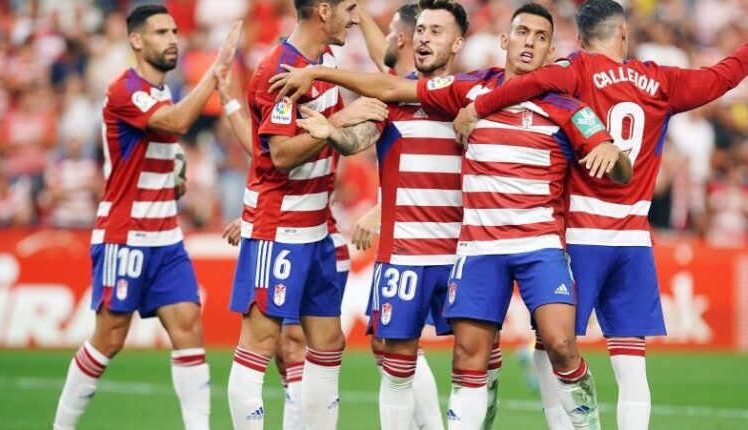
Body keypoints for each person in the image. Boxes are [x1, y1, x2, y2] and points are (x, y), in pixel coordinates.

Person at [268, 2, 632, 429]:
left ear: (552, 51)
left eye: (540, 37)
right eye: (522, 33)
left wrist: (614, 152)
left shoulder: (559, 106)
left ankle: (585, 422)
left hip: (519, 246)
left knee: (557, 344)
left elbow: (619, 171)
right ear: (504, 39)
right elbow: (385, 92)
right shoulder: (466, 91)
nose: (529, 42)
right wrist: (325, 95)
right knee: (441, 357)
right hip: (461, 250)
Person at [450, 1, 748, 428]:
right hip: (632, 237)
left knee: (551, 350)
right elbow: (723, 76)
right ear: (622, 33)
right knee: (631, 367)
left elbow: (528, 85)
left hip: (579, 235)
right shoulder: (660, 80)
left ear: (581, 38)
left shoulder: (575, 70)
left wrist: (479, 107)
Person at [52, 5, 241, 430]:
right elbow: (173, 125)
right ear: (136, 41)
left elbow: (163, 142)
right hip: (125, 235)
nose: (172, 39)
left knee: (189, 327)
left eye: (174, 31)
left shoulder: (162, 92)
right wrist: (214, 73)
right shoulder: (125, 89)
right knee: (110, 338)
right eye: (160, 32)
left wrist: (175, 171)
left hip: (165, 237)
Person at [223, 1, 385, 428]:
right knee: (261, 341)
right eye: (349, 8)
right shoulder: (279, 70)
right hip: (280, 228)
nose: (355, 16)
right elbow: (279, 155)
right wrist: (344, 117)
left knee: (328, 341)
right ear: (323, 10)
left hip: (318, 228)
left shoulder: (322, 64)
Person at [353, 2, 450, 428]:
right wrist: (358, 16)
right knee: (389, 345)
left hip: (433, 239)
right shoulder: (397, 88)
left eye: (393, 30)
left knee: (465, 352)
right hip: (408, 233)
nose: (387, 36)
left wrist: (380, 207)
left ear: (406, 39)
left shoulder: (445, 92)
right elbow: (382, 61)